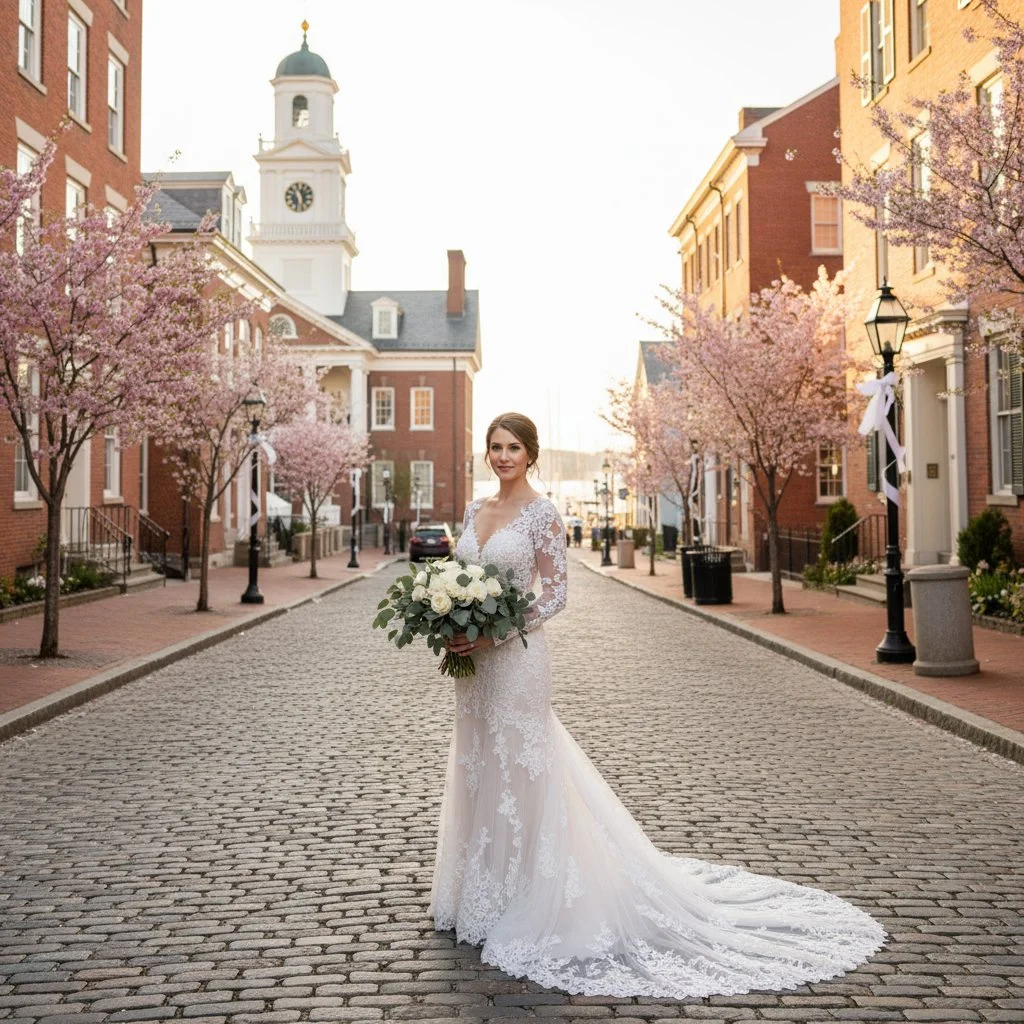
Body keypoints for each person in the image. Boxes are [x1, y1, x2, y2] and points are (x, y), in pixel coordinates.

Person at [431, 411, 884, 999]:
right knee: (478, 763)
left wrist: (497, 634)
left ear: (532, 453)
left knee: (523, 763)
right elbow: (460, 577)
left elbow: (557, 594)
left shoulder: (543, 514)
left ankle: (529, 892)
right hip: (473, 667)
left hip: (516, 660)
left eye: (513, 447)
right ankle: (479, 892)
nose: (502, 456)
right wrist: (450, 622)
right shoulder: (474, 511)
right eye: (494, 447)